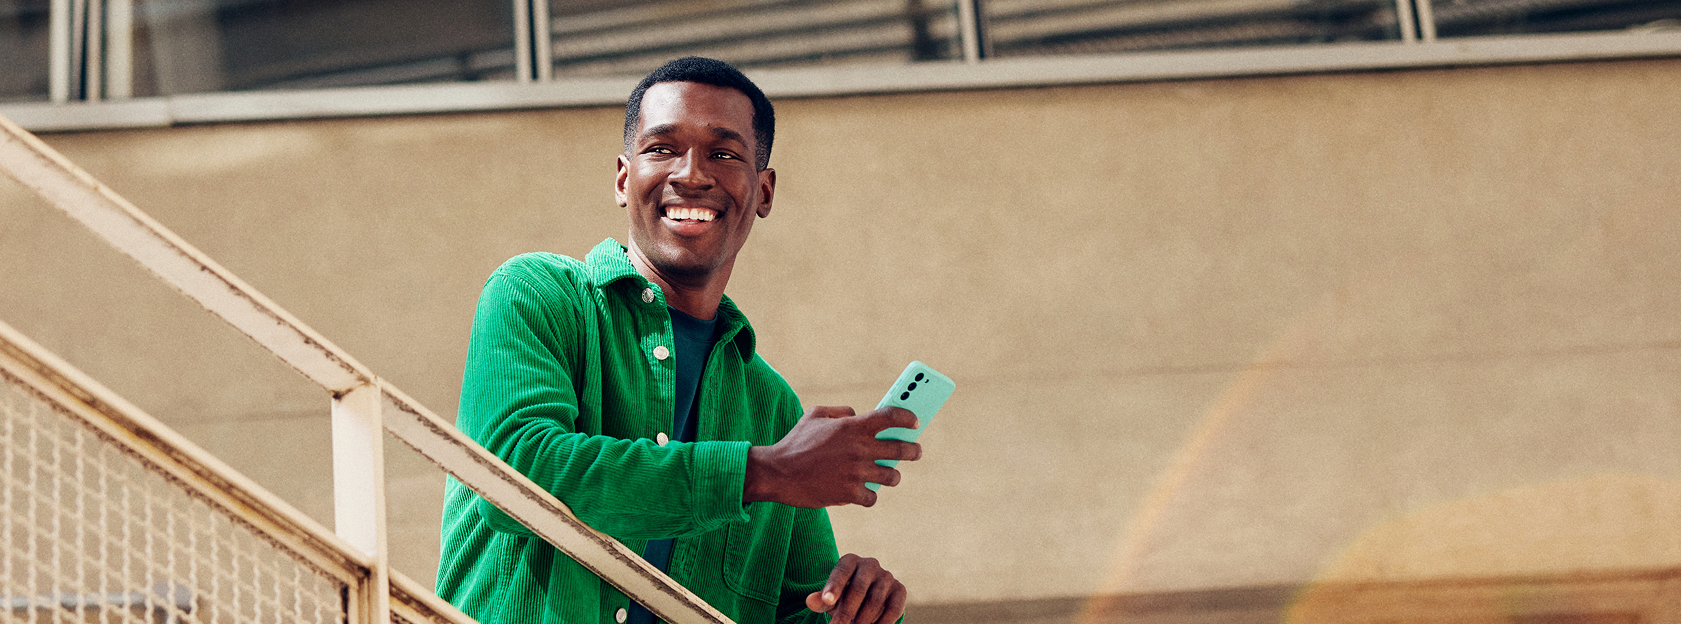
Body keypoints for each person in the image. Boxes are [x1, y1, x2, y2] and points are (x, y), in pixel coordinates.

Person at [436, 57, 921, 624]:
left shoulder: (771, 411)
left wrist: (855, 608)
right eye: (662, 148)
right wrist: (758, 473)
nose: (691, 174)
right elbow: (513, 474)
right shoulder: (538, 294)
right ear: (624, 178)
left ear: (763, 191)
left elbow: (793, 610)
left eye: (723, 154)